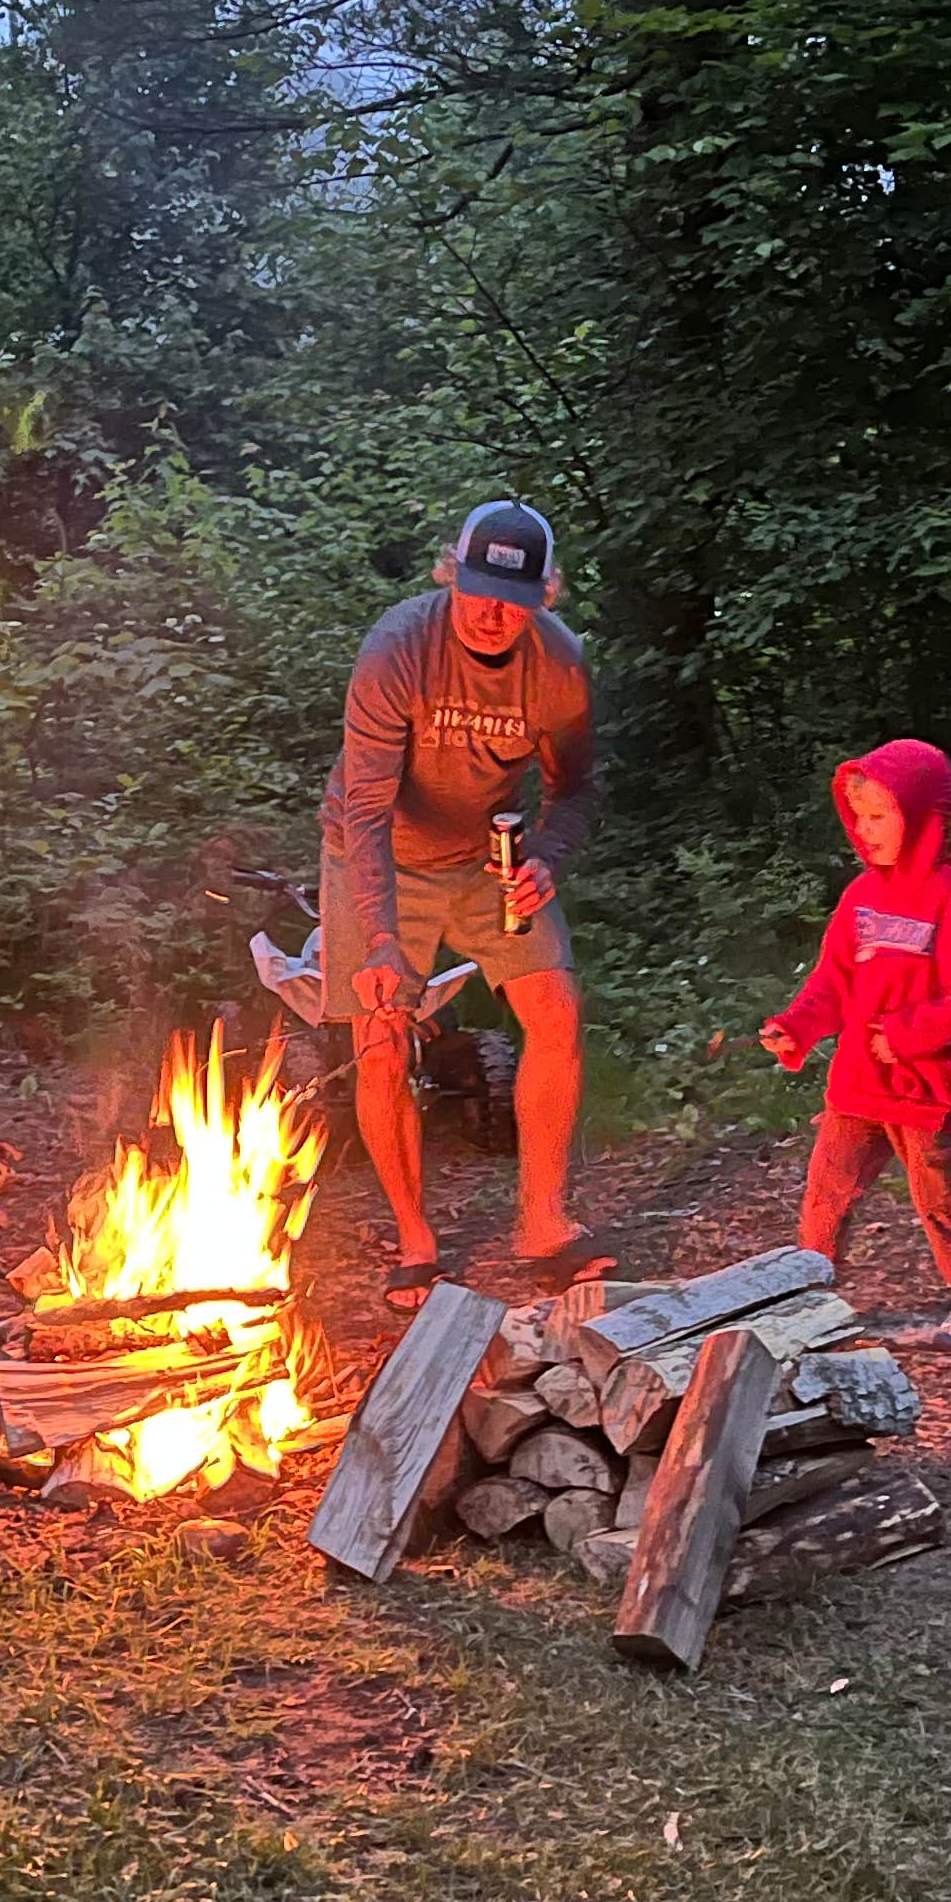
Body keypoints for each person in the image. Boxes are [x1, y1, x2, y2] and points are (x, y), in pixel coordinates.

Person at [324, 498, 608, 1306]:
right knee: (380, 1038)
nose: (491, 614)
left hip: (492, 856)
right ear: (450, 573)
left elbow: (575, 790)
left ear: (543, 596)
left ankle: (543, 1224)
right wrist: (380, 940)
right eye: (478, 589)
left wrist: (546, 860)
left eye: (512, 600)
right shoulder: (397, 649)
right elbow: (365, 811)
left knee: (555, 1009)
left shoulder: (559, 667)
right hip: (378, 856)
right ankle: (417, 1242)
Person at [758, 738, 951, 1350]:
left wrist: (903, 1036)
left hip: (925, 1086)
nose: (864, 831)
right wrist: (795, 1025)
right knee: (827, 1191)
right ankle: (806, 1299)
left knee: (938, 1199)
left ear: (922, 818)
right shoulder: (860, 897)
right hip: (857, 1083)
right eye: (858, 816)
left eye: (880, 816)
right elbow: (833, 982)